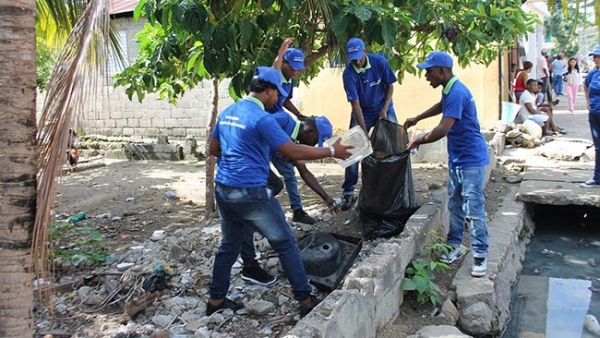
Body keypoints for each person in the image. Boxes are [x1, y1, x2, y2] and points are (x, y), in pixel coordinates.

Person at [207, 66, 352, 316]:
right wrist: (331, 151)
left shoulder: (229, 112)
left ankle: (216, 301)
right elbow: (292, 152)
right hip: (250, 192)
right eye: (277, 94)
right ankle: (305, 301)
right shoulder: (262, 118)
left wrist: (242, 156)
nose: (278, 99)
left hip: (224, 189)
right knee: (286, 243)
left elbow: (214, 149)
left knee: (229, 246)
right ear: (269, 89)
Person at [403, 51, 490, 278]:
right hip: (458, 158)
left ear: (443, 71)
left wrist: (417, 141)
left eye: (429, 71)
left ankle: (480, 255)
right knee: (455, 204)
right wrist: (418, 118)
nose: (426, 76)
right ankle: (454, 246)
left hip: (471, 159)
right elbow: (442, 105)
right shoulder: (449, 89)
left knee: (475, 208)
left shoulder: (458, 93)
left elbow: (442, 130)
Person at [239, 114, 340, 286]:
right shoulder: (283, 120)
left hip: (255, 163)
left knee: (275, 184)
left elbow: (304, 172)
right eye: (316, 140)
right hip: (243, 160)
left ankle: (252, 215)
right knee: (251, 206)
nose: (315, 145)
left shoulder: (292, 141)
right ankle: (249, 264)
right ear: (309, 131)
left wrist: (326, 197)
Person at [339, 37, 398, 211]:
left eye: (359, 56)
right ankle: (348, 192)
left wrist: (385, 109)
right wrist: (364, 133)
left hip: (383, 107)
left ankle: (395, 186)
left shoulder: (379, 62)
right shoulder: (348, 74)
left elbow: (390, 86)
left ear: (365, 51)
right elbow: (355, 105)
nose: (357, 61)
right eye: (353, 58)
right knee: (352, 151)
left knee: (395, 144)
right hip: (362, 111)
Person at [268, 38, 315, 224]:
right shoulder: (272, 78)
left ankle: (297, 210)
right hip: (265, 132)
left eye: (298, 68)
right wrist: (281, 52)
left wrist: (299, 115)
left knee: (290, 171)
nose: (296, 72)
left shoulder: (289, 81)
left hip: (280, 128)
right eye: (292, 67)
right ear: (284, 63)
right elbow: (273, 70)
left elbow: (286, 100)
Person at [581, 48, 600, 188]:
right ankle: (597, 177)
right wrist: (588, 104)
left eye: (597, 57)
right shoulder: (593, 73)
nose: (595, 59)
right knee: (598, 148)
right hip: (594, 114)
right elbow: (586, 86)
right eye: (594, 57)